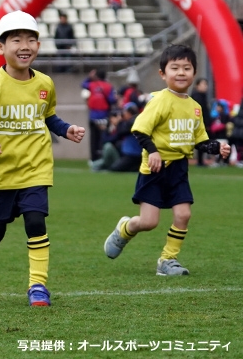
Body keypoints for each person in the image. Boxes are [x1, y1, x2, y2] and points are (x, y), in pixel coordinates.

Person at [0, 10, 85, 307]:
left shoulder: (44, 84)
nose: (24, 45)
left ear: (39, 46)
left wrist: (66, 129)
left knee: (35, 221)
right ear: (0, 48)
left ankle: (38, 286)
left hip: (35, 169)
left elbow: (49, 117)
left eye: (31, 39)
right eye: (16, 39)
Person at [103, 45, 230, 276]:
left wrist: (217, 147)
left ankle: (167, 260)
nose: (181, 72)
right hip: (154, 169)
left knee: (183, 214)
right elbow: (139, 129)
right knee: (148, 222)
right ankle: (125, 228)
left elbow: (199, 140)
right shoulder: (160, 101)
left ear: (194, 72)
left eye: (186, 68)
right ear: (163, 74)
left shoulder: (195, 108)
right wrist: (153, 152)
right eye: (175, 68)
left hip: (179, 169)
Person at [90, 102, 142, 172]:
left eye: (124, 112)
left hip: (133, 155)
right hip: (128, 153)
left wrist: (118, 123)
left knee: (115, 168)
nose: (122, 115)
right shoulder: (130, 122)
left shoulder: (134, 121)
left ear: (129, 112)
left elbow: (120, 133)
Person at [81, 69, 116, 161]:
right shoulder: (109, 86)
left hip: (93, 116)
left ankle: (93, 159)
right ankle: (102, 158)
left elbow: (83, 84)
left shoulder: (92, 85)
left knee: (93, 138)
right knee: (103, 138)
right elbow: (112, 100)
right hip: (104, 116)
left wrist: (89, 76)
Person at [190, 78, 212, 166]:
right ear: (197, 85)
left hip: (203, 123)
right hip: (200, 123)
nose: (205, 87)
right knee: (201, 141)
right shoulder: (197, 97)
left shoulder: (203, 96)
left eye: (206, 85)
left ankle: (201, 160)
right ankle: (199, 161)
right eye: (203, 84)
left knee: (202, 141)